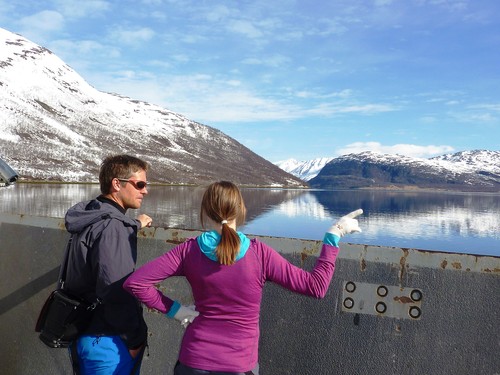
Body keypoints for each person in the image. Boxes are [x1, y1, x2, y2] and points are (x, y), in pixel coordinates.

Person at [123, 181, 362, 375]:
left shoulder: (189, 250)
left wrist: (177, 311)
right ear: (240, 209)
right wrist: (334, 235)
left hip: (193, 361)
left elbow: (136, 283)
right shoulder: (259, 254)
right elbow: (316, 287)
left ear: (205, 212)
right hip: (239, 366)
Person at [62, 154, 153, 375]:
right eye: (139, 184)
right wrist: (136, 340)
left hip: (82, 333)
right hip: (107, 342)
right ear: (116, 184)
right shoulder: (113, 227)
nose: (145, 191)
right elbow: (114, 289)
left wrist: (132, 224)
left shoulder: (91, 214)